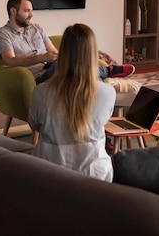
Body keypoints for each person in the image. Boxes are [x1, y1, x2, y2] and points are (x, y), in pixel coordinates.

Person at [27, 23, 115, 181]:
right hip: (96, 176)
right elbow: (103, 121)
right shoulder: (108, 92)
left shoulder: (40, 92)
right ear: (93, 53)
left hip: (49, 173)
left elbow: (34, 125)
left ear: (63, 53)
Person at [0, 0, 135, 83]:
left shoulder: (36, 28)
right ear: (13, 11)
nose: (31, 15)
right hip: (35, 76)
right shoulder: (3, 34)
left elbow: (54, 52)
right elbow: (10, 61)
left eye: (31, 10)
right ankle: (107, 71)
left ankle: (97, 83)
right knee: (64, 66)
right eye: (26, 11)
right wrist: (41, 57)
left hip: (52, 67)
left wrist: (67, 56)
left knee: (76, 56)